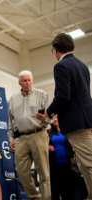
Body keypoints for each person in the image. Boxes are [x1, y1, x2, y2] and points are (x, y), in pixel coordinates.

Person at [41, 33, 92, 200]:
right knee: (85, 166)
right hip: (87, 119)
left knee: (89, 164)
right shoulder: (82, 65)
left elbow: (64, 96)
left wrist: (49, 112)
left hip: (76, 123)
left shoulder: (61, 66)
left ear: (55, 50)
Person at [8, 70, 51, 200]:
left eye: (30, 80)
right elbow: (11, 120)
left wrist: (44, 118)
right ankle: (35, 197)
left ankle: (46, 198)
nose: (28, 83)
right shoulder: (13, 99)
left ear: (32, 80)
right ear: (20, 82)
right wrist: (11, 138)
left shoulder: (42, 95)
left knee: (43, 171)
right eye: (25, 81)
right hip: (20, 137)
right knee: (21, 171)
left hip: (39, 134)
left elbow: (51, 118)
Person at [47, 115, 88, 200]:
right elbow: (43, 146)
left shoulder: (68, 131)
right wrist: (48, 148)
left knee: (68, 188)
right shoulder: (48, 133)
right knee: (54, 188)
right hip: (54, 164)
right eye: (54, 118)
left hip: (68, 164)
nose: (56, 119)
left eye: (58, 117)